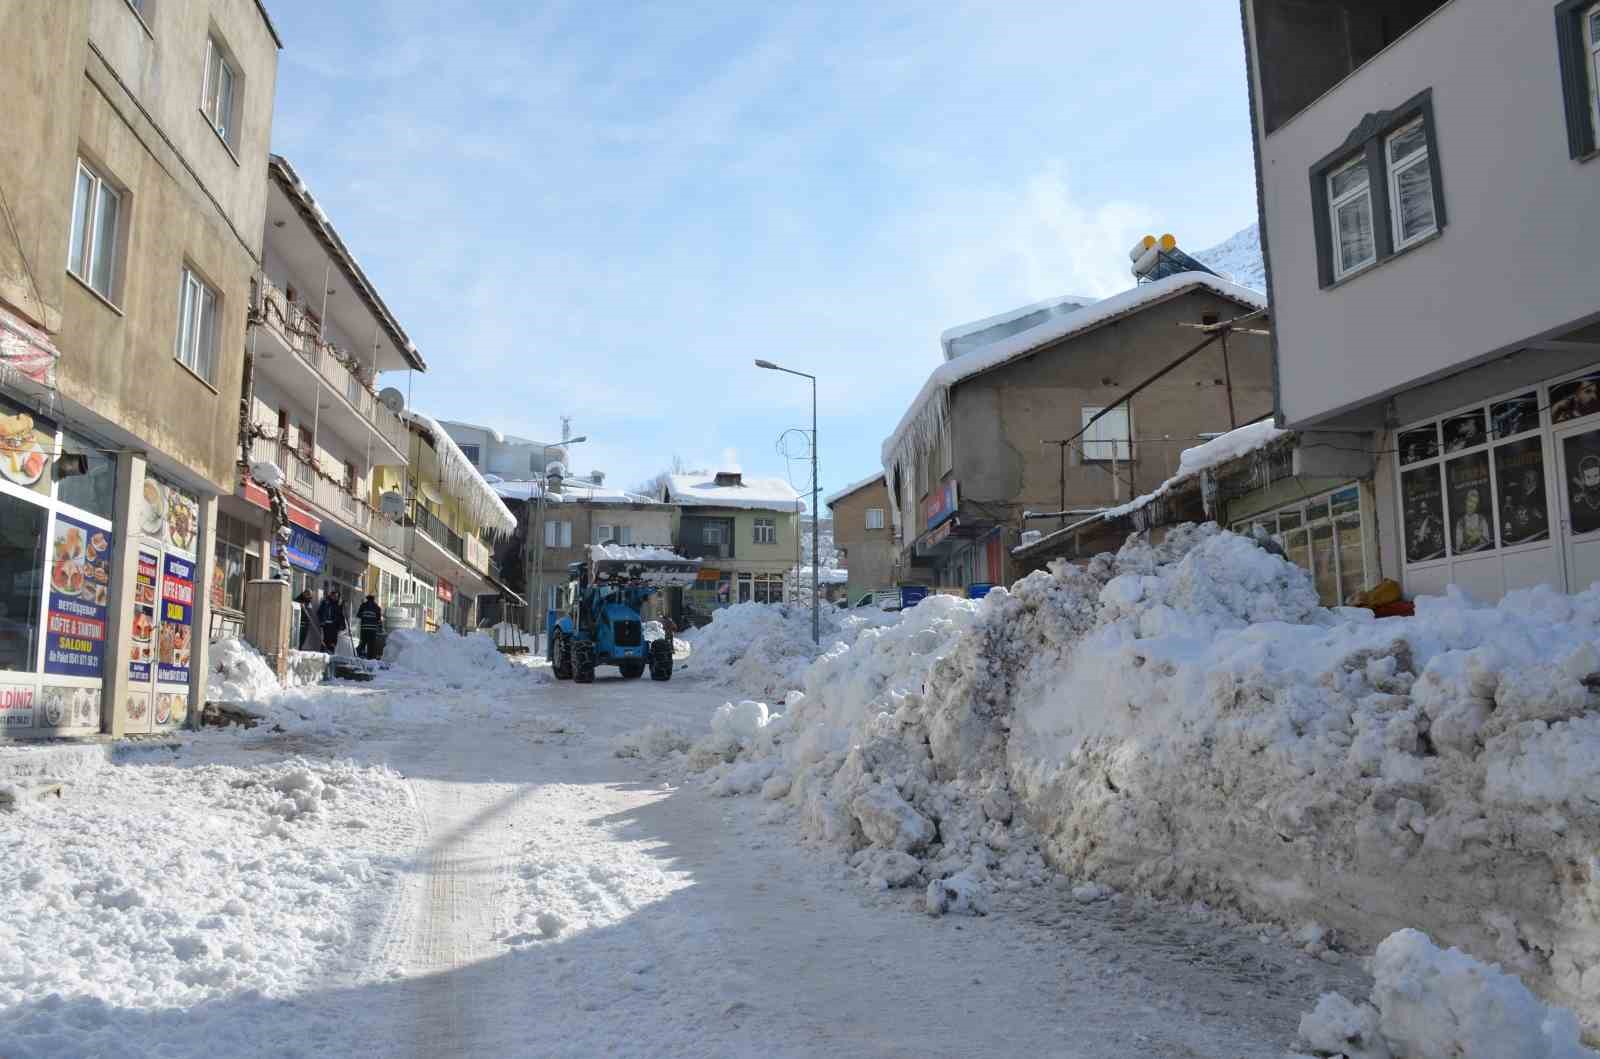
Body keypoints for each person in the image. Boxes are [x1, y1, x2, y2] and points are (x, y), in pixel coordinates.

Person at [317, 587, 346, 652]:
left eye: (337, 596)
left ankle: (331, 652)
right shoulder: (326, 602)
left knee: (333, 640)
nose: (335, 597)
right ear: (331, 595)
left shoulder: (338, 604)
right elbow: (319, 612)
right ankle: (323, 651)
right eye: (334, 596)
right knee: (326, 639)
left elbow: (341, 615)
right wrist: (321, 620)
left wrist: (342, 625)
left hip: (335, 625)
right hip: (326, 624)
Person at [356, 594, 384, 660]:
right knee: (371, 644)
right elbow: (378, 619)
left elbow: (358, 615)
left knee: (363, 642)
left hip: (364, 628)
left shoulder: (363, 606)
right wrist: (380, 627)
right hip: (373, 629)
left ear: (367, 599)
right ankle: (370, 658)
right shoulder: (377, 607)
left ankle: (360, 655)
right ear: (373, 599)